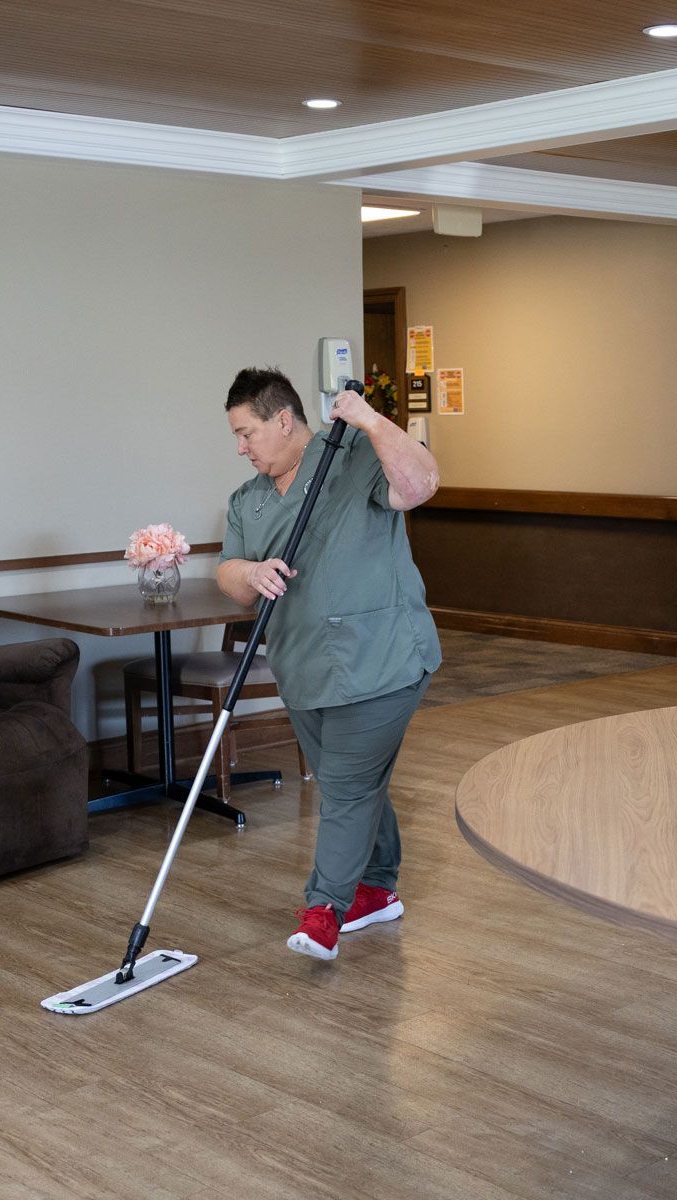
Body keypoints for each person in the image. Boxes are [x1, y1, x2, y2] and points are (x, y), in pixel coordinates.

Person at [215, 366, 443, 961]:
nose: (240, 447)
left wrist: (370, 419)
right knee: (360, 783)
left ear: (284, 419)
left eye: (247, 433)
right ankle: (377, 887)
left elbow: (420, 485)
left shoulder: (355, 459)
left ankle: (325, 910)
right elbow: (229, 572)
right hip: (304, 666)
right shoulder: (249, 500)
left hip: (383, 657)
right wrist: (250, 573)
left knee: (343, 785)